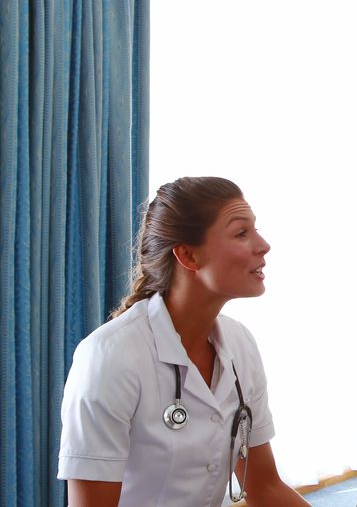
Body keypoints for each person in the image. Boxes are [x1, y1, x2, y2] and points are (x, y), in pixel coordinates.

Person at [58, 176, 308, 506]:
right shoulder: (110, 357)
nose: (263, 245)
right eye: (241, 233)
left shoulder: (240, 344)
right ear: (188, 256)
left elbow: (265, 486)